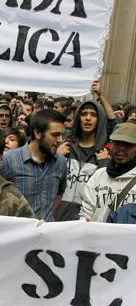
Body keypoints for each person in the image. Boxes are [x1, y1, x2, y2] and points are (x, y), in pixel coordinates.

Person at [55, 90, 117, 220]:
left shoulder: (103, 154)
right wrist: (56, 156)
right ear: (78, 118)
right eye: (84, 114)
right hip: (57, 216)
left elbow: (107, 188)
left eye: (93, 115)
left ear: (99, 120)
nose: (88, 118)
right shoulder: (66, 148)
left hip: (86, 220)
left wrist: (104, 163)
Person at [0, 109, 68, 221]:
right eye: (55, 135)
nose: (60, 140)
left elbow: (59, 194)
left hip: (46, 232)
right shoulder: (10, 161)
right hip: (17, 233)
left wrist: (46, 217)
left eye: (62, 135)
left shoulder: (61, 162)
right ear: (38, 133)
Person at [81, 122, 136, 221]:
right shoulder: (98, 176)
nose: (121, 148)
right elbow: (86, 213)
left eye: (128, 145)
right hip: (98, 236)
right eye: (117, 143)